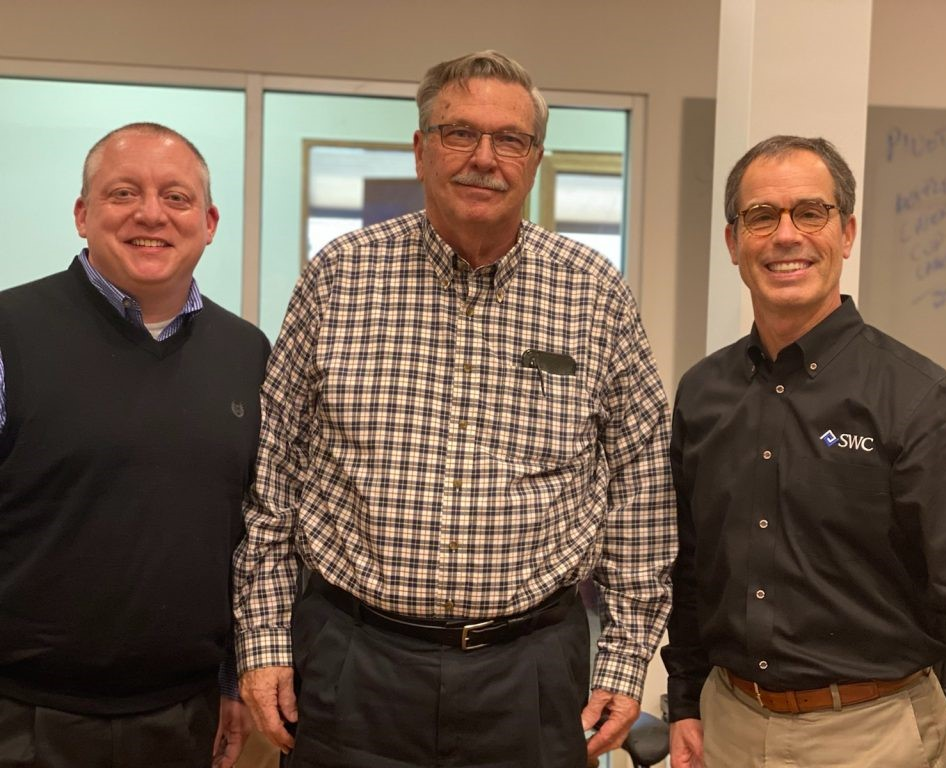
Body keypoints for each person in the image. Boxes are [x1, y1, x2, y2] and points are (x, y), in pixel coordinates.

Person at [233, 50, 676, 768]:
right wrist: (262, 643)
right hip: (353, 660)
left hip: (529, 670)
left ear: (534, 160)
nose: (483, 159)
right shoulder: (339, 277)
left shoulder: (593, 293)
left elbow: (642, 491)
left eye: (510, 140)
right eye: (458, 133)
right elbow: (272, 480)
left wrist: (626, 663)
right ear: (420, 148)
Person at [661, 134, 946, 768]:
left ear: (847, 232)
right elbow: (690, 570)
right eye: (761, 216)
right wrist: (686, 701)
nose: (786, 235)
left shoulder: (922, 401)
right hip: (728, 727)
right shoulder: (703, 393)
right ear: (733, 243)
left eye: (810, 212)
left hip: (875, 736)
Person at [0, 123, 270, 768]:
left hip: (186, 718)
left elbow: (248, 530)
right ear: (82, 215)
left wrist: (232, 681)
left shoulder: (248, 354)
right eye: (124, 193)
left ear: (208, 222)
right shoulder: (9, 334)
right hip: (22, 715)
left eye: (176, 198)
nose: (151, 214)